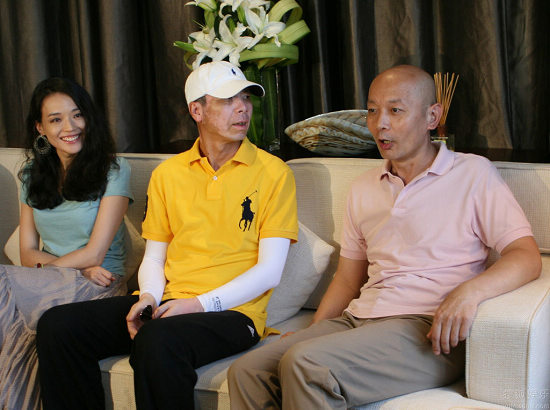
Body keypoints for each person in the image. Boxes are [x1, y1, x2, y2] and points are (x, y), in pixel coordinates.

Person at [227, 65, 542, 409]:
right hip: (359, 319)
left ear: (432, 116)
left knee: (306, 364)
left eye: (395, 110)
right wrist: (312, 330)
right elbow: (348, 278)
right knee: (248, 370)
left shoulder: (472, 173)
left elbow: (525, 254)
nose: (381, 124)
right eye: (373, 111)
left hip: (426, 328)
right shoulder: (363, 187)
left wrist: (470, 292)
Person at [35, 61, 299, 410]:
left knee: (158, 340)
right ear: (197, 110)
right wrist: (147, 298)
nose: (242, 108)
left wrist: (196, 305)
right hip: (169, 303)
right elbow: (155, 257)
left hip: (235, 314)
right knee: (58, 326)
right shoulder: (168, 174)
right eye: (227, 100)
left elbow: (270, 271)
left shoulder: (273, 172)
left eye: (246, 98)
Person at [0, 77, 132, 410]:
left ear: (89, 117)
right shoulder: (31, 175)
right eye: (56, 119)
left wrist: (80, 266)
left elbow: (96, 253)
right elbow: (26, 252)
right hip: (58, 282)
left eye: (77, 115)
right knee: (18, 346)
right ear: (40, 128)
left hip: (100, 287)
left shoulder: (114, 170)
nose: (69, 127)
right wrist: (78, 266)